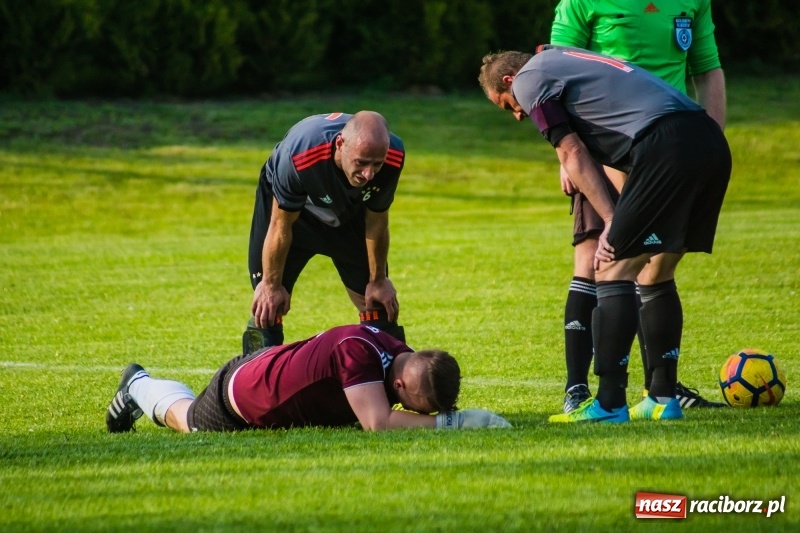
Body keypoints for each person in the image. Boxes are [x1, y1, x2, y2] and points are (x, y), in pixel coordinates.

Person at [478, 46, 731, 422]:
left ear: (509, 80)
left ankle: (610, 404)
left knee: (611, 268)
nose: (517, 115)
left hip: (665, 144)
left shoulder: (530, 78)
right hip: (708, 139)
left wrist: (612, 219)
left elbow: (571, 153)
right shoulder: (568, 61)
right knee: (656, 272)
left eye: (507, 104)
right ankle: (662, 399)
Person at [549, 0, 727, 412]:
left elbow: (707, 69)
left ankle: (660, 390)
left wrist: (710, 139)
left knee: (655, 265)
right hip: (604, 148)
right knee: (594, 259)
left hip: (668, 150)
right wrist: (566, 155)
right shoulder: (581, 2)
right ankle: (578, 390)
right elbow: (555, 73)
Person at [106, 324, 512, 433]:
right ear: (400, 386)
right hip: (243, 395)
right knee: (186, 419)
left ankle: (140, 384)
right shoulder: (359, 353)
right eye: (421, 407)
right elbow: (378, 423)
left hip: (266, 365)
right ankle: (137, 384)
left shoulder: (400, 355)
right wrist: (452, 423)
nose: (419, 413)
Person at [244, 111, 406, 354]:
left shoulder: (393, 155)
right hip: (293, 218)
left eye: (377, 164)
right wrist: (270, 283)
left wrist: (378, 280)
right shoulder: (301, 154)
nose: (369, 174)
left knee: (377, 302)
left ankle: (388, 375)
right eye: (361, 162)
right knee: (268, 304)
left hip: (347, 214)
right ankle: (254, 373)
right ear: (340, 144)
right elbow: (280, 225)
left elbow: (377, 222)